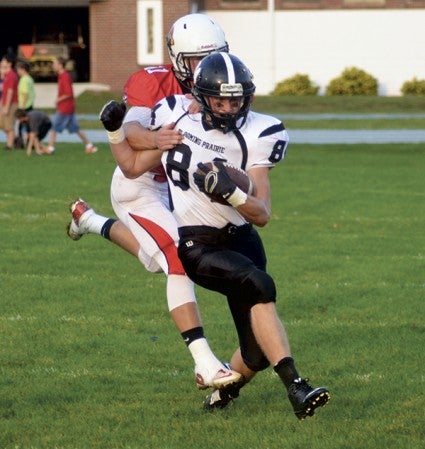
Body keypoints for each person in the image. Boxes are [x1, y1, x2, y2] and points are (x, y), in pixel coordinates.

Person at [103, 52, 331, 420]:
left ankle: (224, 394)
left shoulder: (261, 130)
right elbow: (130, 165)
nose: (228, 108)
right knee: (259, 284)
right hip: (198, 243)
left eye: (235, 100)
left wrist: (232, 191)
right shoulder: (175, 115)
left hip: (242, 238)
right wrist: (117, 130)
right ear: (201, 95)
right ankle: (297, 386)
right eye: (219, 100)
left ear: (248, 97)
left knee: (254, 353)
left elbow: (262, 214)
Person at [67, 14, 240, 391]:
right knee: (177, 258)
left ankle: (88, 220)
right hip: (142, 186)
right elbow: (130, 132)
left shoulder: (218, 86)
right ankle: (204, 363)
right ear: (179, 59)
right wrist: (160, 138)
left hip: (180, 188)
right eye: (197, 60)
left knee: (154, 260)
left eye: (214, 57)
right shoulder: (152, 81)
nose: (206, 68)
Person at [46, 57, 97, 154]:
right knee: (76, 129)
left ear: (60, 65)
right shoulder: (61, 76)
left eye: (55, 64)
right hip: (68, 108)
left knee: (54, 127)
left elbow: (69, 93)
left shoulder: (65, 76)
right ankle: (90, 145)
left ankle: (50, 148)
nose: (53, 66)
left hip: (65, 108)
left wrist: (58, 99)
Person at [0, 54, 18, 150]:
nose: (2, 62)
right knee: (2, 124)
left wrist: (6, 106)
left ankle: (9, 145)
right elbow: (4, 90)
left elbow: (10, 92)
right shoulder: (6, 75)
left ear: (9, 63)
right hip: (5, 102)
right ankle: (15, 139)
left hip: (11, 103)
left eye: (4, 61)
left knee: (9, 124)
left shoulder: (11, 75)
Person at [16, 60, 36, 147]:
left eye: (18, 70)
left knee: (21, 126)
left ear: (23, 69)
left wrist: (22, 106)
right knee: (29, 126)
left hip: (25, 106)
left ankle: (20, 143)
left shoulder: (24, 79)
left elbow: (25, 93)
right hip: (30, 105)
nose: (17, 72)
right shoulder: (30, 78)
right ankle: (31, 143)